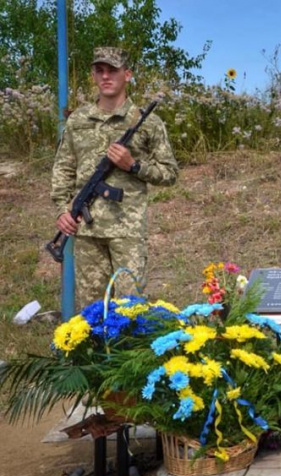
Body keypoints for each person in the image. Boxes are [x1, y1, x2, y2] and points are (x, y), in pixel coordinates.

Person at [51, 47, 179, 307]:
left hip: (127, 231)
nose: (106, 76)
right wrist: (63, 210)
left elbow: (170, 173)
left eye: (113, 70)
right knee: (91, 311)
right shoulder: (78, 120)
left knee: (131, 310)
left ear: (127, 75)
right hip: (87, 231)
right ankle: (94, 350)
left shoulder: (148, 122)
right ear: (94, 76)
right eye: (100, 71)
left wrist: (133, 166)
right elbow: (63, 168)